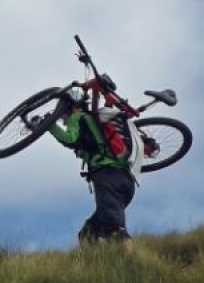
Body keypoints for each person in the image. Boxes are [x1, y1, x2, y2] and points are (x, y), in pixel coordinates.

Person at [49, 86, 142, 249]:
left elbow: (70, 139)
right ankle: (98, 264)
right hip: (126, 183)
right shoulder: (95, 121)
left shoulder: (77, 117)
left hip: (107, 176)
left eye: (62, 115)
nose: (63, 120)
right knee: (89, 232)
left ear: (69, 107)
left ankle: (133, 263)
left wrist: (49, 126)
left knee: (115, 228)